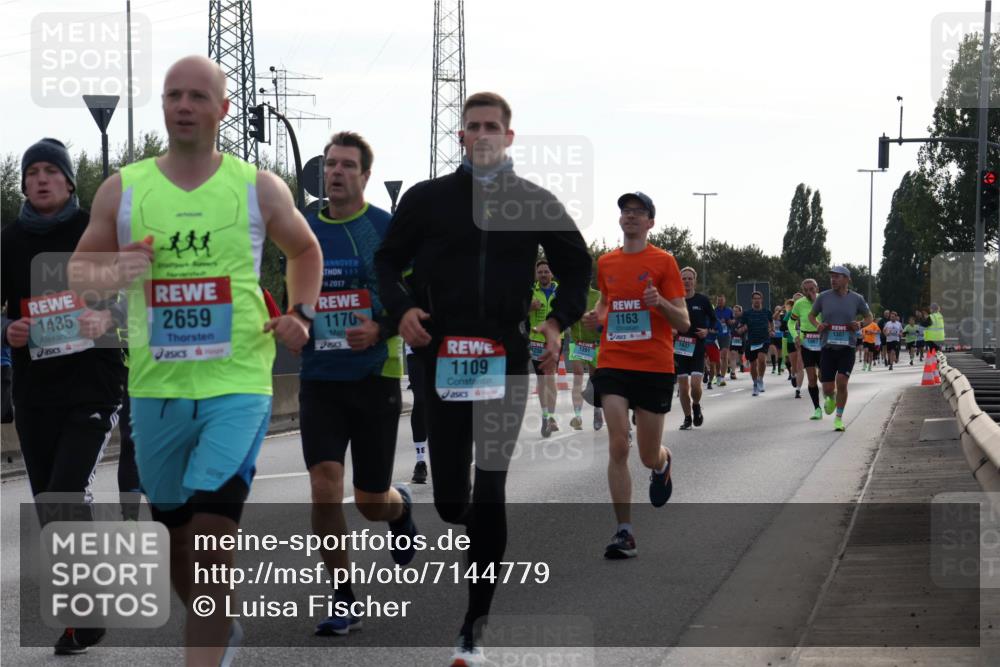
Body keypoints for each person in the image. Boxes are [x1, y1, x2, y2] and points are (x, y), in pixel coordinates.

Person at [68, 56, 323, 665]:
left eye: (197, 96)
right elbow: (79, 273)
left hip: (238, 382)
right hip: (155, 387)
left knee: (211, 531)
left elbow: (305, 249)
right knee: (174, 531)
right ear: (163, 105)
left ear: (222, 109)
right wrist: (114, 271)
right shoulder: (123, 189)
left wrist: (301, 313)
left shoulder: (257, 186)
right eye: (173, 95)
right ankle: (218, 623)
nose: (183, 105)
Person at [374, 91, 591, 665]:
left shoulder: (533, 200)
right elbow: (386, 261)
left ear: (509, 137)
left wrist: (556, 321)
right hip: (439, 359)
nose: (484, 135)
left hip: (506, 359)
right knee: (451, 501)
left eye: (493, 126)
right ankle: (471, 528)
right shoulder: (428, 199)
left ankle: (475, 623)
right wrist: (401, 310)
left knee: (490, 488)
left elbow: (576, 264)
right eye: (473, 127)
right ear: (462, 137)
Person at [2, 137, 126, 655]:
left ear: (70, 181)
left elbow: (139, 295)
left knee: (65, 493)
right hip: (36, 393)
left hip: (92, 386)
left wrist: (108, 317)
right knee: (51, 505)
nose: (41, 179)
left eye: (52, 171)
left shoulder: (92, 232)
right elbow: (6, 311)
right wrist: (8, 330)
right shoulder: (8, 240)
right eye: (33, 173)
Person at [298, 131, 417, 636]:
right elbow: (294, 289)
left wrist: (382, 327)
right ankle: (343, 594)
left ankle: (399, 507)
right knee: (325, 488)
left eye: (347, 165)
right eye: (330, 165)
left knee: (370, 501)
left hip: (374, 374)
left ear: (366, 175)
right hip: (319, 376)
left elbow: (413, 297)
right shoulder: (302, 228)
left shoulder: (385, 229)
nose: (337, 173)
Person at [581, 191, 687, 559]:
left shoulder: (664, 262)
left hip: (654, 366)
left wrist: (660, 304)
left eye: (638, 212)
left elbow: (684, 321)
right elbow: (605, 303)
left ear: (650, 222)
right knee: (617, 444)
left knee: (645, 455)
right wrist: (598, 317)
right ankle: (624, 531)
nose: (630, 216)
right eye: (626, 211)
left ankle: (663, 462)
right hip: (613, 361)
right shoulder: (606, 262)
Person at [808, 266, 872, 432]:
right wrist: (818, 325)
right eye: (832, 277)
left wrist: (860, 324)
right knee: (828, 387)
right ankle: (830, 396)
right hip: (828, 347)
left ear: (847, 279)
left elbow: (869, 317)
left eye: (837, 277)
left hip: (847, 347)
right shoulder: (823, 297)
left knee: (842, 382)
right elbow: (811, 316)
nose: (833, 280)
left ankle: (839, 418)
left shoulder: (857, 299)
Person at [675, 267, 715, 429]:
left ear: (695, 281)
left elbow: (714, 321)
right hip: (680, 348)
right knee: (683, 388)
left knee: (696, 387)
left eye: (690, 278)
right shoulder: (675, 300)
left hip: (697, 347)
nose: (687, 281)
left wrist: (707, 331)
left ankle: (696, 405)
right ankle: (687, 418)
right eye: (684, 278)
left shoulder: (703, 300)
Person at [528, 259, 562, 436]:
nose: (543, 274)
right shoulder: (530, 291)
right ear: (536, 274)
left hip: (556, 339)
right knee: (543, 379)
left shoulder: (560, 291)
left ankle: (551, 417)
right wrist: (529, 306)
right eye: (540, 272)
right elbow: (517, 310)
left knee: (551, 378)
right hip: (536, 340)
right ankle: (545, 415)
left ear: (551, 273)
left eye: (546, 271)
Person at [568, 285, 603, 430]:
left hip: (595, 344)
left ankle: (597, 410)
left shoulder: (598, 295)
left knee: (595, 380)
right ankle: (577, 416)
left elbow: (602, 317)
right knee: (578, 376)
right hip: (577, 343)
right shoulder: (570, 295)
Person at [789, 279, 823, 419]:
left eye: (812, 289)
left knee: (824, 376)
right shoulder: (799, 304)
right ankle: (817, 409)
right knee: (811, 378)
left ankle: (829, 395)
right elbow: (791, 322)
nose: (810, 292)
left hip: (823, 342)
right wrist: (795, 335)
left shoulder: (824, 300)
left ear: (817, 288)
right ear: (803, 291)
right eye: (806, 290)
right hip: (807, 343)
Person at [738, 292, 772, 396]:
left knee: (761, 360)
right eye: (755, 299)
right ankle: (755, 384)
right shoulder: (747, 313)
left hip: (764, 340)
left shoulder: (767, 312)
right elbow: (740, 328)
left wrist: (771, 330)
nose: (757, 300)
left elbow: (771, 323)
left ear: (761, 300)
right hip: (752, 341)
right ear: (752, 300)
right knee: (753, 364)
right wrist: (743, 328)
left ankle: (760, 379)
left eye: (758, 298)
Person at [406, 343, 429, 482]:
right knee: (420, 401)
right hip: (416, 349)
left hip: (445, 350)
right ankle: (420, 461)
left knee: (444, 403)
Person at [714, 294, 734, 386]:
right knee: (717, 357)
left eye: (721, 300)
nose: (720, 302)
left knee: (724, 355)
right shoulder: (714, 311)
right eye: (718, 301)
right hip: (716, 336)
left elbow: (734, 321)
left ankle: (722, 376)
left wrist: (729, 321)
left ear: (724, 301)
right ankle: (717, 375)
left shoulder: (729, 310)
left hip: (726, 335)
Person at [729, 304, 745, 376]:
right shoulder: (731, 319)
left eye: (736, 311)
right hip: (733, 339)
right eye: (734, 311)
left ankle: (742, 364)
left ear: (740, 311)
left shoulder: (743, 319)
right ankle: (733, 372)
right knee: (733, 354)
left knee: (741, 356)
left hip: (742, 339)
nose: (735, 312)